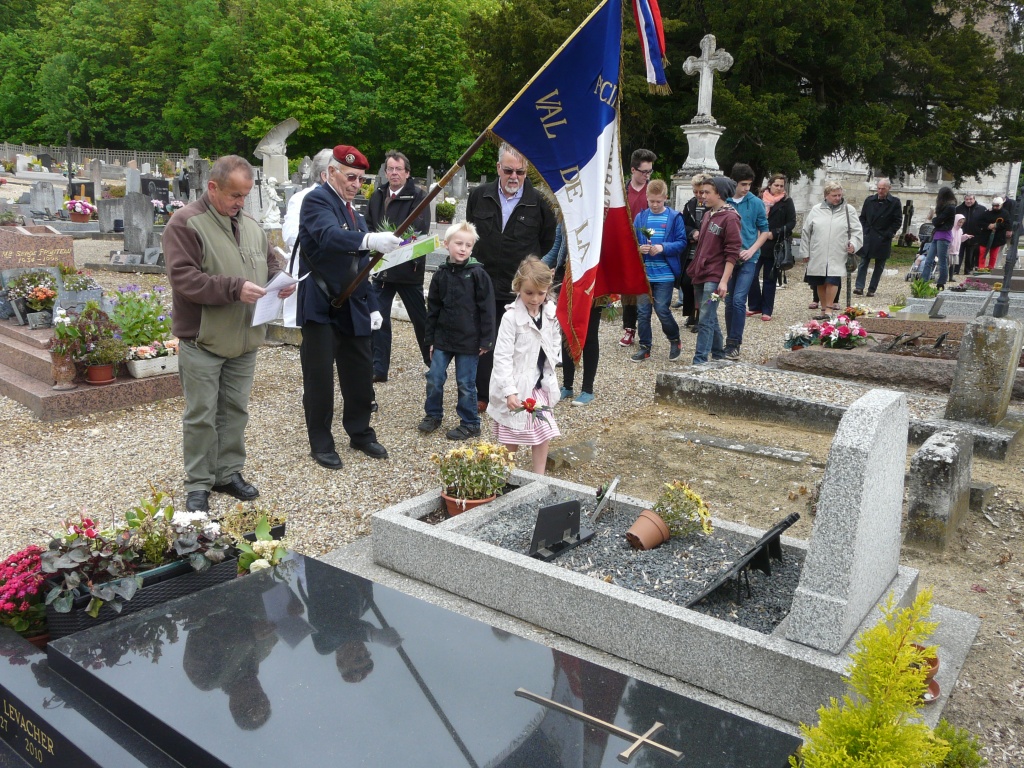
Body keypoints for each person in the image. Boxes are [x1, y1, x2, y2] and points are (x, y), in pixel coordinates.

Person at [164, 155, 293, 513]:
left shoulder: (250, 225)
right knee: (201, 414)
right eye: (235, 195)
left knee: (235, 411)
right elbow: (184, 278)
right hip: (203, 339)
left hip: (245, 338)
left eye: (245, 195)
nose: (241, 202)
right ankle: (198, 483)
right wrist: (234, 288)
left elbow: (270, 262)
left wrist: (280, 281)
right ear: (213, 187)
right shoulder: (185, 224)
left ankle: (227, 472)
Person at [297, 144, 403, 470]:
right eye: (351, 177)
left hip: (353, 303)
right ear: (331, 172)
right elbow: (328, 237)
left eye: (361, 179)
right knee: (319, 378)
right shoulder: (317, 201)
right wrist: (370, 240)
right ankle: (321, 442)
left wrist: (372, 304)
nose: (357, 184)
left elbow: (361, 267)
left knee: (359, 373)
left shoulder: (354, 213)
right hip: (320, 303)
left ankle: (360, 432)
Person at [466, 143, 556, 409]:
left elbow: (547, 240)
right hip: (483, 281)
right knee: (484, 339)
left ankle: (516, 393)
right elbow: (472, 233)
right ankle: (484, 394)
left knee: (517, 342)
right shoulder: (479, 195)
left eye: (520, 172)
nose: (514, 177)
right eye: (508, 171)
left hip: (519, 286)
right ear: (498, 168)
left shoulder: (539, 203)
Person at [419, 221, 495, 440]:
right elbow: (433, 309)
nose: (463, 249)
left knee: (465, 382)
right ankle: (433, 415)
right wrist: (430, 340)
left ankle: (470, 422)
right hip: (443, 338)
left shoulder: (478, 274)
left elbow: (487, 309)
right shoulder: (440, 275)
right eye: (459, 243)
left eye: (468, 245)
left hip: (469, 340)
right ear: (446, 244)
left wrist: (487, 340)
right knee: (434, 377)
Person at [487, 257, 561, 475]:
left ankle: (539, 477)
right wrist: (509, 391)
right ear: (518, 287)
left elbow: (555, 342)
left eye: (541, 293)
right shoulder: (510, 318)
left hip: (539, 384)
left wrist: (552, 366)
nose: (535, 299)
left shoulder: (550, 313)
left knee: (543, 431)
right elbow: (502, 357)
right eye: (529, 293)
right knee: (512, 435)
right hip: (517, 386)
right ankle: (502, 477)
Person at [365, 150, 432, 382]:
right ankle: (379, 368)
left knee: (420, 320)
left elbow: (418, 231)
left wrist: (396, 250)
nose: (394, 173)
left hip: (408, 270)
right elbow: (369, 225)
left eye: (398, 169)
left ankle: (433, 364)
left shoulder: (419, 196)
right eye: (390, 169)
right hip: (382, 270)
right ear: (386, 172)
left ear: (407, 173)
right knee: (379, 318)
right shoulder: (378, 195)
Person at [686, 176, 741, 364]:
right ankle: (718, 355)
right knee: (708, 315)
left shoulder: (731, 218)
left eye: (707, 192)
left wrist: (723, 281)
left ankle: (699, 361)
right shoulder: (708, 215)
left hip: (715, 278)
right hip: (700, 274)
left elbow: (732, 252)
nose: (702, 196)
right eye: (702, 192)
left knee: (705, 318)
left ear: (720, 194)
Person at [630, 179, 686, 362]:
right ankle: (645, 347)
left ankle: (674, 339)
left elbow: (682, 242)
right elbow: (632, 242)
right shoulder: (640, 217)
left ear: (665, 198)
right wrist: (639, 248)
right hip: (645, 273)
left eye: (658, 201)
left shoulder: (674, 217)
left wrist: (663, 247)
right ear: (646, 197)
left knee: (662, 309)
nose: (654, 205)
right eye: (651, 201)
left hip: (665, 273)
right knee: (643, 312)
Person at [722, 163, 770, 360]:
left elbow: (764, 230)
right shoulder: (724, 201)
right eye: (743, 184)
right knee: (728, 301)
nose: (747, 188)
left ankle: (734, 343)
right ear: (734, 182)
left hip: (749, 258)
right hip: (728, 258)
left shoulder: (756, 202)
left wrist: (751, 250)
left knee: (739, 300)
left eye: (749, 184)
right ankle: (729, 341)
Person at [282, 148, 333, 328]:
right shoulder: (301, 199)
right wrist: (326, 238)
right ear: (325, 175)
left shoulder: (343, 201)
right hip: (308, 270)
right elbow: (290, 235)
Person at [800, 181, 863, 317]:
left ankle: (829, 308)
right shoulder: (816, 209)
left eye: (840, 195)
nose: (838, 198)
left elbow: (857, 230)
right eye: (834, 195)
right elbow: (806, 231)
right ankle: (823, 309)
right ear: (826, 195)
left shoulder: (848, 210)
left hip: (838, 251)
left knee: (832, 280)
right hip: (818, 251)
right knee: (820, 281)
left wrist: (853, 244)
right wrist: (805, 251)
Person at [618, 149, 657, 347]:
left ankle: (645, 330)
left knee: (646, 289)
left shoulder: (653, 192)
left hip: (648, 246)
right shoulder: (621, 191)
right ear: (633, 170)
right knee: (628, 288)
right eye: (644, 171)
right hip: (626, 244)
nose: (647, 175)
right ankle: (629, 328)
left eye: (650, 171)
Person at [747, 173, 796, 321]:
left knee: (770, 278)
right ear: (770, 185)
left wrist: (774, 233)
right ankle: (755, 305)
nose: (779, 188)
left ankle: (767, 310)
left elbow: (791, 223)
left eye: (782, 186)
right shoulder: (759, 200)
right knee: (751, 275)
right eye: (776, 185)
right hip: (756, 243)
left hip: (774, 245)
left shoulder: (787, 202)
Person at [853, 177, 902, 297]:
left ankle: (872, 289)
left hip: (883, 237)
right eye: (879, 188)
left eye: (883, 189)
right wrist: (864, 229)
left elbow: (897, 221)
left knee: (879, 265)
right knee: (863, 262)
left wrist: (889, 233)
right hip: (869, 235)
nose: (880, 191)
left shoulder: (894, 202)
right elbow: (863, 217)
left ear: (889, 188)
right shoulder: (869, 200)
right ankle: (859, 287)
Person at [680, 173, 712, 331]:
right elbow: (683, 225)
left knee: (702, 285)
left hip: (707, 252)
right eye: (695, 192)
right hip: (691, 250)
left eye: (701, 192)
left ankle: (701, 316)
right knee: (686, 282)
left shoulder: (713, 206)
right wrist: (692, 232)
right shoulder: (689, 205)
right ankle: (691, 311)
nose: (699, 195)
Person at [920, 186, 957, 288]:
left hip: (944, 235)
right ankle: (924, 280)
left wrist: (937, 221)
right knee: (929, 259)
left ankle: (941, 281)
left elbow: (937, 220)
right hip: (937, 234)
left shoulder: (950, 207)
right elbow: (938, 221)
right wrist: (937, 221)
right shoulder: (944, 207)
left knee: (942, 260)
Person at [954, 194, 986, 275]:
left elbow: (984, 222)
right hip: (960, 234)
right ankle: (956, 270)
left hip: (974, 235)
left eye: (970, 199)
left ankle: (968, 270)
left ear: (974, 199)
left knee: (970, 255)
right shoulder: (958, 209)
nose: (968, 201)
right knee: (959, 253)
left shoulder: (982, 209)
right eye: (967, 199)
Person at [978, 196, 1011, 270]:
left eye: (997, 206)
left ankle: (991, 268)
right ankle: (981, 268)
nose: (995, 207)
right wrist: (988, 226)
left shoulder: (1005, 213)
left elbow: (1007, 224)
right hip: (985, 236)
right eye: (994, 206)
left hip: (998, 237)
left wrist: (996, 225)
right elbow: (979, 222)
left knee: (993, 255)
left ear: (1001, 205)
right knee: (982, 252)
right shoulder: (987, 212)